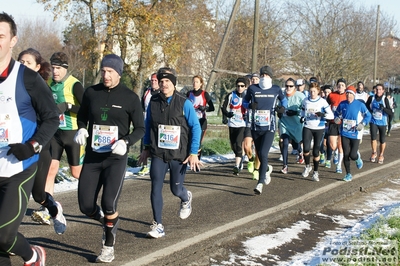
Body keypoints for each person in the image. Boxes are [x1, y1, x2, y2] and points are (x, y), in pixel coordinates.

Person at [0, 12, 59, 266]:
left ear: (13, 41)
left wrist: (32, 145)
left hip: (18, 167)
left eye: (0, 36)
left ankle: (33, 255)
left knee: (3, 236)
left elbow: (52, 118)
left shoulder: (27, 78)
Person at [74, 54, 145, 263]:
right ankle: (107, 222)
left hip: (115, 159)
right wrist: (80, 128)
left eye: (110, 72)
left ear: (119, 74)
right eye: (104, 71)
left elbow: (140, 128)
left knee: (108, 203)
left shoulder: (130, 98)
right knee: (85, 206)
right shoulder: (91, 93)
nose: (106, 75)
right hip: (93, 158)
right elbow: (82, 116)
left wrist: (126, 142)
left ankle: (108, 244)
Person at [138, 67, 202, 238]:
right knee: (155, 185)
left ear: (174, 83)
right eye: (161, 81)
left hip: (179, 155)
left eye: (167, 81)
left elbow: (196, 127)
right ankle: (158, 224)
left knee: (175, 189)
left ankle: (185, 197)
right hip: (159, 153)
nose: (164, 84)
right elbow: (148, 125)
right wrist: (146, 148)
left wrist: (193, 152)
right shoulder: (153, 101)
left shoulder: (184, 102)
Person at [39, 52, 85, 233]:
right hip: (56, 134)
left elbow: (87, 109)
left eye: (58, 68)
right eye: (53, 68)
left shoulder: (74, 84)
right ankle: (47, 208)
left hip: (73, 134)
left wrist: (69, 106)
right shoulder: (49, 84)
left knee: (76, 173)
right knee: (50, 169)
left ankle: (99, 192)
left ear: (65, 69)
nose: (55, 72)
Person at [17, 48, 63, 229]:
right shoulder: (10, 87)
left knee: (38, 195)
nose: (23, 65)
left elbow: (51, 117)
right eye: (20, 62)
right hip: (14, 148)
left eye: (28, 63)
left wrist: (35, 143)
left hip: (38, 147)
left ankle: (54, 209)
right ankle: (9, 238)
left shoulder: (40, 87)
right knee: (13, 194)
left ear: (37, 67)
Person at [243, 65, 287, 195]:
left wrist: (282, 108)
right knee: (259, 154)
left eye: (266, 75)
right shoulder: (252, 89)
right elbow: (244, 103)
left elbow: (284, 102)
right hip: (256, 127)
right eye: (262, 75)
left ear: (271, 77)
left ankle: (260, 183)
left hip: (269, 127)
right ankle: (266, 170)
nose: (264, 77)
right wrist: (249, 105)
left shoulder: (276, 89)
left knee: (263, 153)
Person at [334, 86, 371, 181]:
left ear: (354, 95)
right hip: (345, 132)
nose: (348, 95)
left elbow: (368, 115)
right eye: (347, 93)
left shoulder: (359, 105)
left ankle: (357, 158)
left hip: (356, 133)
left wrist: (362, 124)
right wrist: (337, 119)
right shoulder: (342, 104)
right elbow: (336, 114)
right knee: (346, 154)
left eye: (350, 94)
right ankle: (348, 174)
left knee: (352, 155)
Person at [300, 82, 334, 181]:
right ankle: (307, 166)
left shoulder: (322, 102)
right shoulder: (305, 100)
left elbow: (331, 115)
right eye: (310, 91)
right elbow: (302, 112)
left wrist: (322, 115)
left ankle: (315, 172)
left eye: (314, 91)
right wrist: (302, 117)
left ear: (318, 91)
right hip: (307, 127)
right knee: (306, 149)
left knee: (315, 151)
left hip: (319, 128)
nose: (312, 93)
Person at [221, 77, 248, 175]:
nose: (240, 88)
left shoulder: (248, 96)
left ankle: (236, 166)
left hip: (242, 124)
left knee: (238, 143)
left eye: (242, 86)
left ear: (245, 87)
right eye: (238, 86)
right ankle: (240, 158)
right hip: (232, 124)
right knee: (233, 146)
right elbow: (223, 107)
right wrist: (227, 115)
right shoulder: (231, 95)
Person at [278, 78, 305, 174]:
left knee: (295, 144)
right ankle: (285, 166)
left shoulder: (300, 96)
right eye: (286, 86)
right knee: (284, 142)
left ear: (295, 87)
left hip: (296, 124)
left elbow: (305, 109)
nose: (288, 88)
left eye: (291, 86)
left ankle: (300, 152)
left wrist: (295, 112)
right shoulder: (281, 96)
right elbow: (277, 107)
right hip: (284, 123)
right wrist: (279, 112)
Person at [186, 75, 215, 162]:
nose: (194, 84)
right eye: (193, 82)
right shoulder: (189, 94)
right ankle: (189, 159)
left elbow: (212, 108)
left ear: (201, 84)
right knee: (190, 140)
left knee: (197, 141)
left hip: (201, 120)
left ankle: (197, 161)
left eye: (197, 82)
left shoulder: (204, 94)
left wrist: (205, 108)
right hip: (190, 120)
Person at [138, 73, 159, 176]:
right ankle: (144, 165)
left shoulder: (161, 92)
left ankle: (156, 163)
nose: (153, 82)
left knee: (155, 143)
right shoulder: (147, 91)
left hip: (156, 123)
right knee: (144, 143)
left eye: (155, 80)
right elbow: (142, 106)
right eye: (152, 80)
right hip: (146, 122)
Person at [365, 84, 393, 164]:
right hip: (373, 121)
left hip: (382, 123)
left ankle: (381, 155)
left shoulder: (385, 99)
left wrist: (383, 108)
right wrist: (370, 112)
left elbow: (390, 112)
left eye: (380, 89)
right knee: (373, 138)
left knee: (382, 140)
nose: (378, 91)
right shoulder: (371, 98)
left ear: (383, 90)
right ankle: (374, 152)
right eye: (377, 89)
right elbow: (366, 107)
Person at [326, 78, 347, 172]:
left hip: (343, 124)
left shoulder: (348, 95)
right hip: (333, 123)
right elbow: (325, 106)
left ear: (345, 87)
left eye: (342, 85)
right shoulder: (331, 95)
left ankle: (339, 165)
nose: (340, 87)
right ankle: (335, 152)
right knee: (333, 145)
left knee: (340, 145)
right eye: (339, 85)